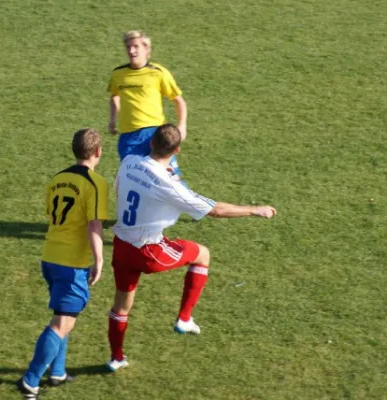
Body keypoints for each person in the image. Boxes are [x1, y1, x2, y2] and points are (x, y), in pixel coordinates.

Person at [106, 124, 276, 372]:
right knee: (202, 254)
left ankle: (116, 358)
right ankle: (184, 319)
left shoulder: (129, 161)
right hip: (147, 250)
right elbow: (215, 210)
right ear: (177, 150)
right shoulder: (168, 185)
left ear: (152, 143)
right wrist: (254, 209)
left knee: (121, 306)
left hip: (121, 246)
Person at [17, 128, 109, 399]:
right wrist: (100, 259)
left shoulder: (57, 179)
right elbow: (94, 225)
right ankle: (30, 380)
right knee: (62, 323)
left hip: (50, 257)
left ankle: (57, 372)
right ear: (98, 152)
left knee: (64, 315)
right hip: (71, 263)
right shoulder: (96, 184)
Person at [108, 30, 188, 176]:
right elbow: (114, 96)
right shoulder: (117, 74)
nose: (131, 51)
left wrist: (182, 125)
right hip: (128, 137)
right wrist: (113, 120)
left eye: (135, 46)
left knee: (171, 179)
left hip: (155, 134)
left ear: (146, 48)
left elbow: (179, 100)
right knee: (135, 180)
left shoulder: (158, 72)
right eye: (128, 47)